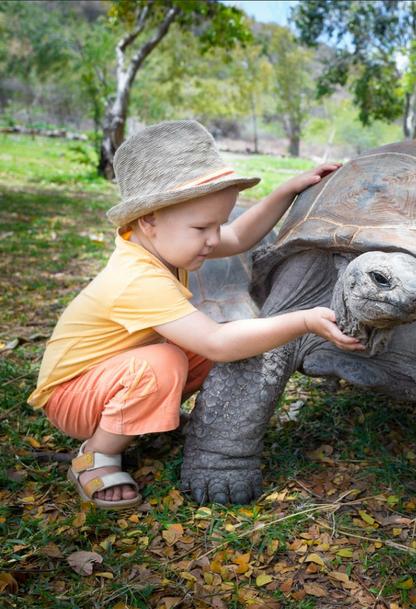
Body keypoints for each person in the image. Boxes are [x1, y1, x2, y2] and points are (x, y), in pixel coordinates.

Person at [27, 120, 364, 510]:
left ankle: (142, 417)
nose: (213, 239)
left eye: (216, 224)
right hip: (71, 395)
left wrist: (287, 191)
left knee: (197, 353)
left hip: (105, 378)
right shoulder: (136, 276)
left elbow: (237, 238)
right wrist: (303, 320)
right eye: (203, 227)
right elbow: (218, 344)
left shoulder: (165, 244)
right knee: (171, 358)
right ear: (149, 219)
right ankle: (96, 455)